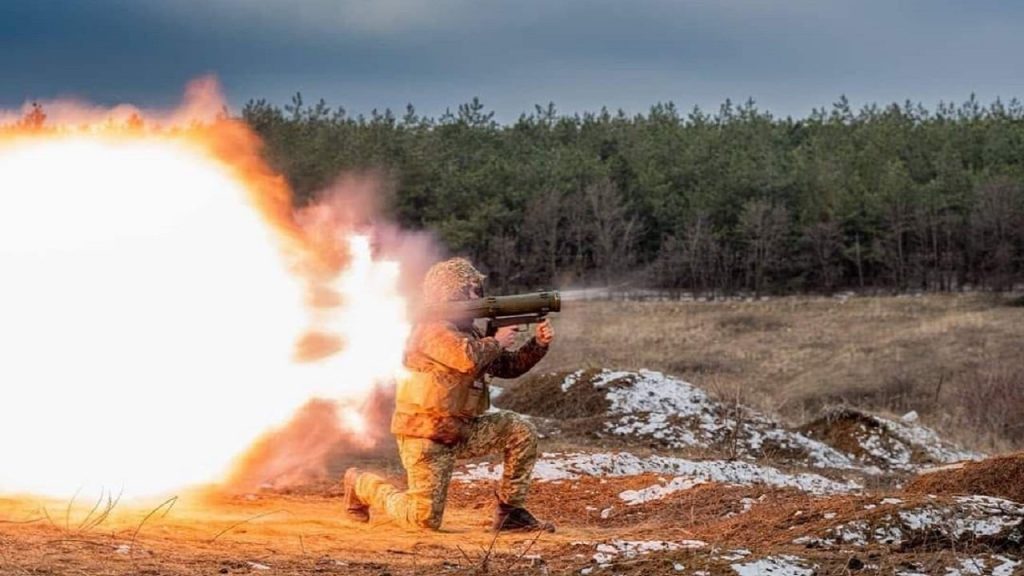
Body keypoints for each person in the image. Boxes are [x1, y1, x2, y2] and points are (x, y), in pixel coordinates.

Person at [343, 257, 555, 532]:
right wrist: (496, 340)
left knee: (520, 429)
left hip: (461, 428)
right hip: (426, 435)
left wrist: (538, 344)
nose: (479, 295)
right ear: (451, 292)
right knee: (424, 520)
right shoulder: (430, 329)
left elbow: (506, 366)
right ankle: (361, 484)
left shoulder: (468, 331)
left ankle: (510, 513)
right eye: (472, 289)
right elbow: (466, 358)